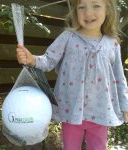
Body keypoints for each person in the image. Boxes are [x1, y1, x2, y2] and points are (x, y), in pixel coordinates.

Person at [16, 0, 128, 149]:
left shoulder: (112, 44)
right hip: (71, 111)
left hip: (101, 113)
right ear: (75, 11)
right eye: (82, 7)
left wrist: (125, 106)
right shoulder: (68, 37)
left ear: (108, 10)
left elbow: (119, 78)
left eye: (96, 5)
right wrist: (31, 59)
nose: (88, 12)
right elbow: (49, 60)